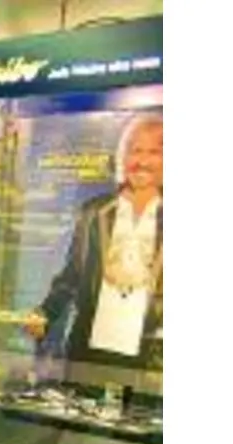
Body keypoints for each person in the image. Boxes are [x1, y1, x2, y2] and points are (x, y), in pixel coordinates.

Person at [34, 114, 163, 371]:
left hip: (150, 358)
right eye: (135, 150)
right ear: (123, 157)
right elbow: (72, 276)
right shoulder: (95, 211)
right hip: (89, 351)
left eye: (155, 152)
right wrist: (45, 313)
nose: (142, 161)